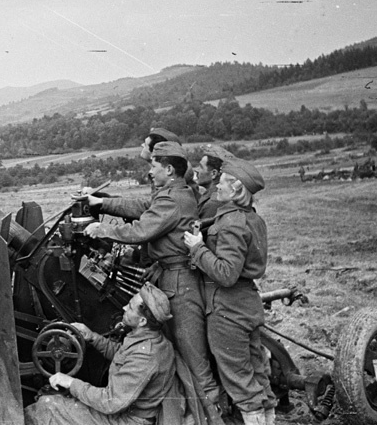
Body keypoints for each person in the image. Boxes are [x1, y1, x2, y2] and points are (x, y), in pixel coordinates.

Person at [81, 142, 223, 424]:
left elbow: (143, 229)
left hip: (180, 283)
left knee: (193, 357)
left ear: (169, 169)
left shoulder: (172, 199)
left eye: (153, 166)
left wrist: (103, 229)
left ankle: (216, 416)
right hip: (170, 277)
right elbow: (143, 207)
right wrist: (103, 202)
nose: (149, 172)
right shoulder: (173, 194)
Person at [183, 158, 277, 425]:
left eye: (222, 182)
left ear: (235, 190)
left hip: (227, 310)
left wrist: (197, 248)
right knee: (258, 376)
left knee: (240, 382)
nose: (217, 187)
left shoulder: (231, 223)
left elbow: (226, 273)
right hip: (246, 303)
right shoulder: (251, 218)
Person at [24, 283, 191, 425]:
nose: (125, 307)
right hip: (122, 408)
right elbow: (122, 355)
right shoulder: (150, 340)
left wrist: (71, 383)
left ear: (142, 321)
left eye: (131, 307)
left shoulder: (146, 356)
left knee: (46, 407)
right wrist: (92, 337)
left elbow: (110, 402)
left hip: (126, 420)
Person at [195, 144, 235, 221]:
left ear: (213, 173)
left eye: (201, 167)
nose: (196, 170)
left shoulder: (214, 202)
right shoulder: (212, 194)